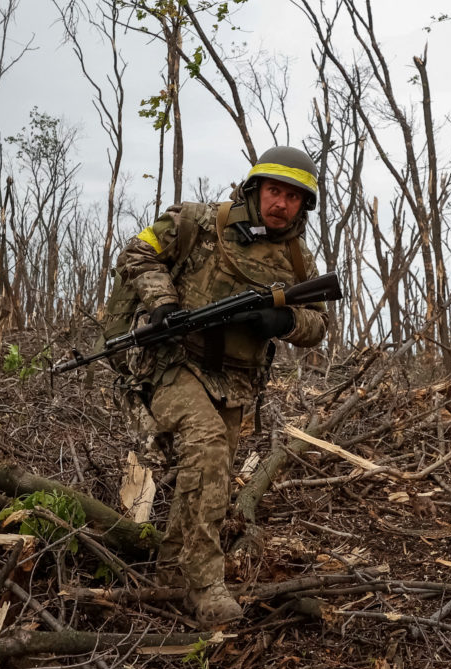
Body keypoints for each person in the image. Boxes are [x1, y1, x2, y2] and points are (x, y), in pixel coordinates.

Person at [115, 146, 330, 625]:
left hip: (235, 382)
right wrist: (162, 302)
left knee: (209, 473)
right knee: (208, 448)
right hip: (174, 361)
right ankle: (206, 585)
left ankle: (171, 575)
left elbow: (318, 323)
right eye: (274, 191)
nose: (281, 204)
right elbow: (137, 251)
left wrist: (282, 321)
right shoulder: (197, 220)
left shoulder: (298, 259)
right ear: (255, 189)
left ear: (304, 205)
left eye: (293, 197)